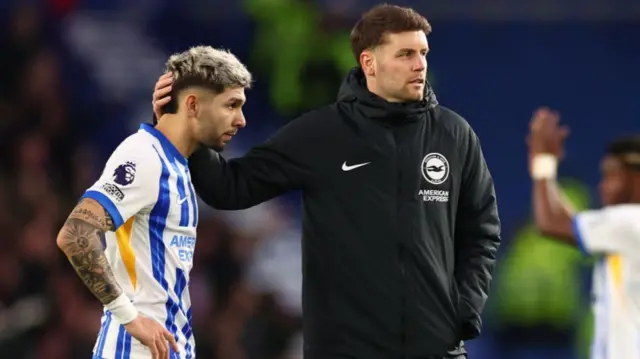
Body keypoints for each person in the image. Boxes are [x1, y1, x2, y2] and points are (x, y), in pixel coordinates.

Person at [154, 5, 501, 359]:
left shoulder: (453, 135)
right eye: (406, 54)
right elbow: (230, 186)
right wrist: (188, 132)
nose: (419, 64)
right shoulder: (323, 133)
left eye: (423, 53)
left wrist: (464, 311)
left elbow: (481, 229)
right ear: (369, 63)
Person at [56, 46, 252, 359]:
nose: (240, 120)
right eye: (231, 105)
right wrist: (129, 317)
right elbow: (76, 234)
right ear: (193, 104)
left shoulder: (176, 167)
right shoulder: (145, 156)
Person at [528, 107, 640, 358]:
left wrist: (542, 160)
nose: (603, 186)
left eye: (613, 176)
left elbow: (550, 222)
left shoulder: (630, 222)